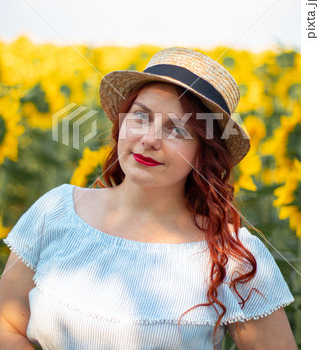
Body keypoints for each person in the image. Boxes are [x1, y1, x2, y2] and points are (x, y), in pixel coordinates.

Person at [0, 47, 297, 349]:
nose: (150, 139)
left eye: (177, 129)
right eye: (141, 116)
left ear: (203, 152)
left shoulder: (234, 256)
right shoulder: (56, 211)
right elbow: (6, 325)